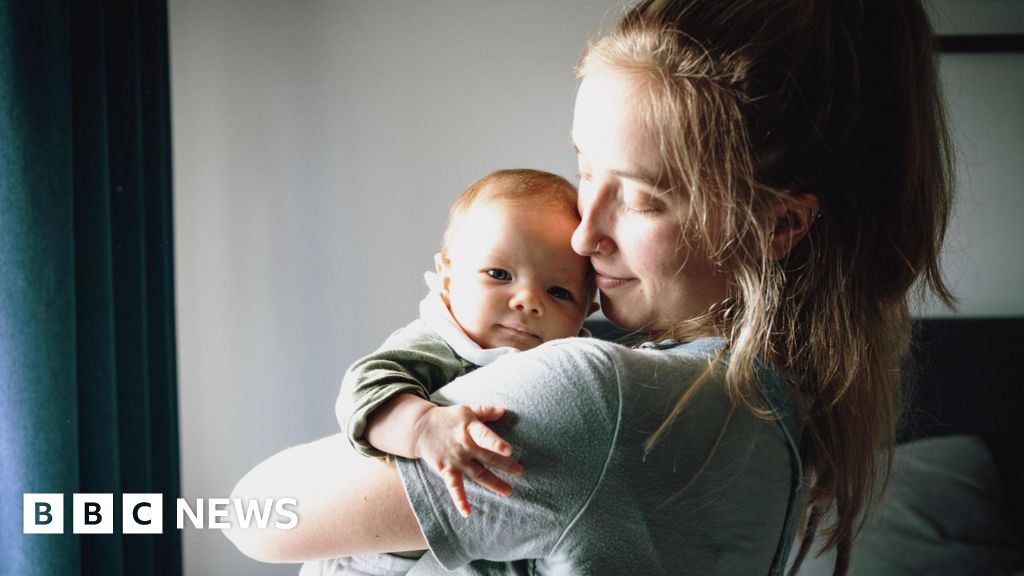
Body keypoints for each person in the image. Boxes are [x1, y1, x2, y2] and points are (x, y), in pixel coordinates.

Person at [226, 1, 954, 574]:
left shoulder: (603, 403)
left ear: (779, 223)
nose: (583, 235)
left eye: (641, 199)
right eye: (585, 170)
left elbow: (253, 515)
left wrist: (418, 416)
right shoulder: (771, 411)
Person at [301, 168, 598, 576]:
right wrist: (424, 426)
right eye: (499, 274)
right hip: (377, 559)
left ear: (586, 312)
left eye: (559, 292)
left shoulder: (576, 367)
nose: (528, 300)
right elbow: (364, 388)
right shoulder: (440, 343)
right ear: (447, 278)